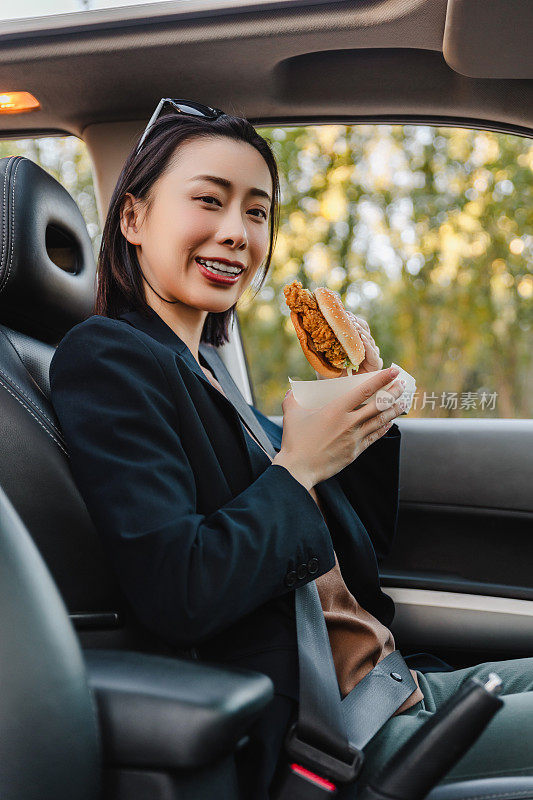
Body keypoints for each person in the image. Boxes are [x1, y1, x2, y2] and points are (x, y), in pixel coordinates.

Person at [49, 100, 533, 800]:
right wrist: (299, 462)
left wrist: (358, 408)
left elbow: (349, 550)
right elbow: (179, 589)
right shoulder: (107, 358)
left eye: (256, 211)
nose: (236, 232)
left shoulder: (214, 378)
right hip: (334, 738)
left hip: (397, 688)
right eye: (208, 201)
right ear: (132, 219)